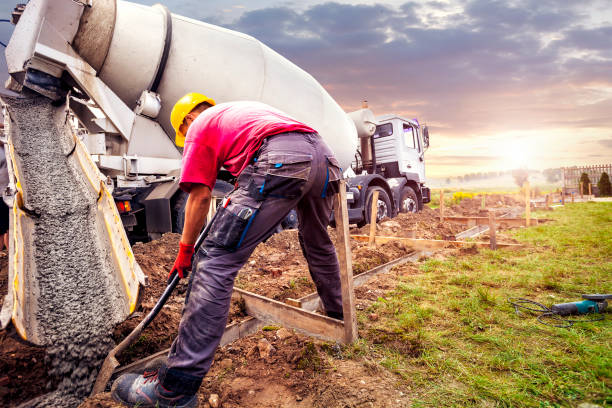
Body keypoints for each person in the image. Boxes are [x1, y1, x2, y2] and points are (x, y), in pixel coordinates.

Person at [111, 93, 344, 408]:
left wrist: (186, 251)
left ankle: (173, 390)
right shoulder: (244, 112)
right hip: (324, 158)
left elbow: (199, 196)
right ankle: (338, 317)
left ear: (187, 121)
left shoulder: (199, 127)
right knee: (317, 242)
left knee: (214, 262)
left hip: (281, 160)